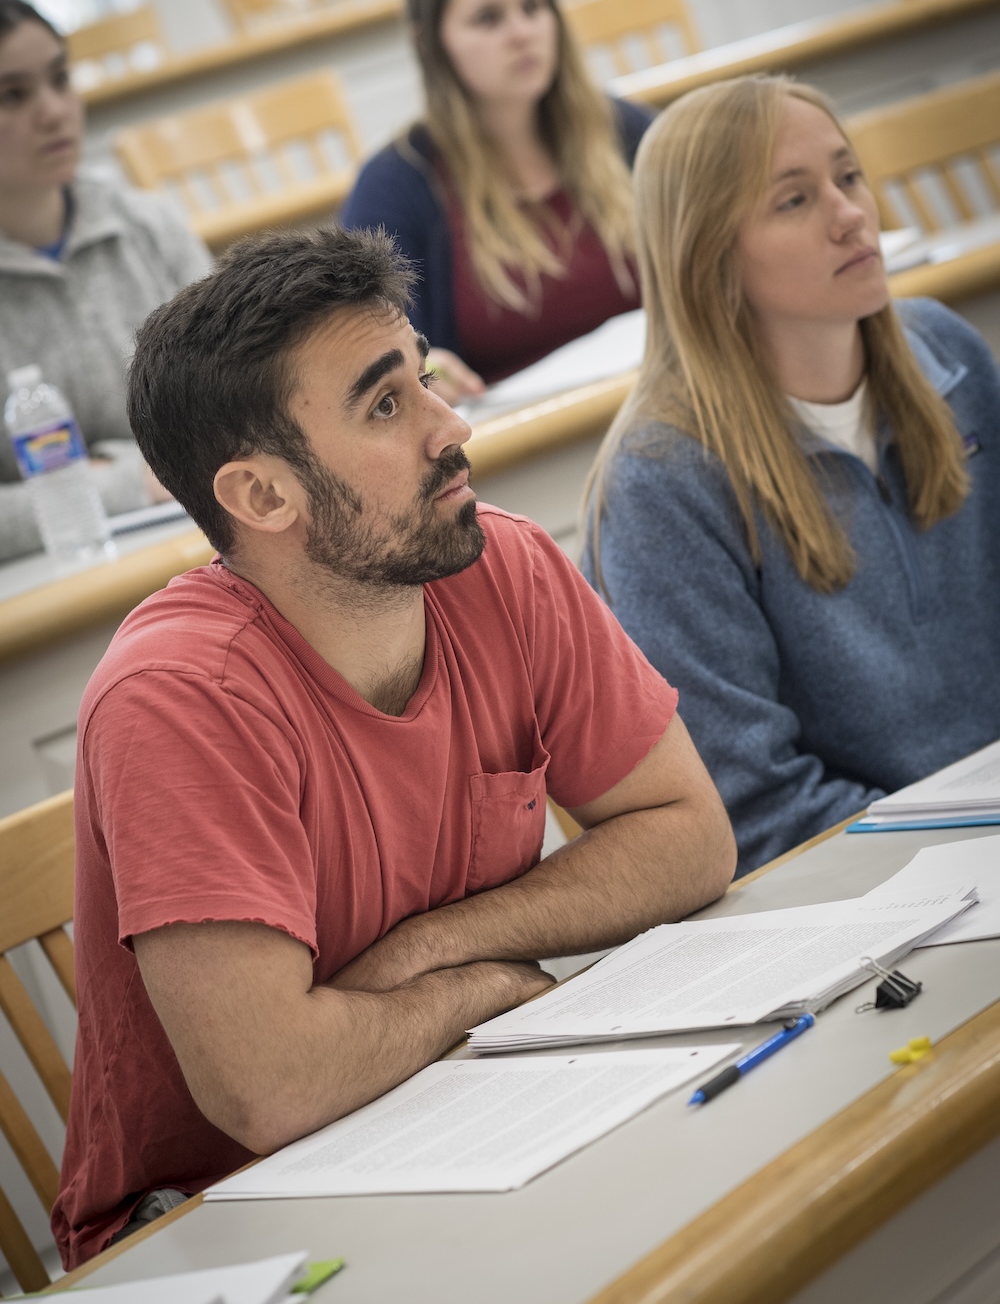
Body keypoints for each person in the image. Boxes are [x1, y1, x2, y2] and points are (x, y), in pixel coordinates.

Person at [54, 224, 736, 1269]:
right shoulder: (176, 698)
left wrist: (424, 951)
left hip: (472, 1113)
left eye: (422, 379)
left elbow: (690, 837)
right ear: (261, 497)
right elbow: (270, 1088)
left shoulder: (497, 562)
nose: (449, 424)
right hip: (228, 1229)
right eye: (385, 404)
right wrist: (478, 983)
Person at [583, 74, 1000, 877]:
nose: (851, 216)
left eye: (848, 177)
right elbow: (757, 804)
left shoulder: (946, 352)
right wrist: (969, 851)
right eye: (794, 201)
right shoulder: (661, 483)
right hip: (880, 887)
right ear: (710, 258)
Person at [341, 0, 652, 402]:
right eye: (488, 18)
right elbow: (364, 354)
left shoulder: (622, 129)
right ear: (430, 44)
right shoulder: (395, 185)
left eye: (533, 7)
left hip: (662, 394)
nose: (522, 32)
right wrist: (422, 367)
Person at [0, 0, 210, 561]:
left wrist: (93, 476)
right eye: (12, 95)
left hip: (202, 535)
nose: (53, 110)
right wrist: (128, 483)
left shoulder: (149, 223)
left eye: (60, 80)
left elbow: (238, 396)